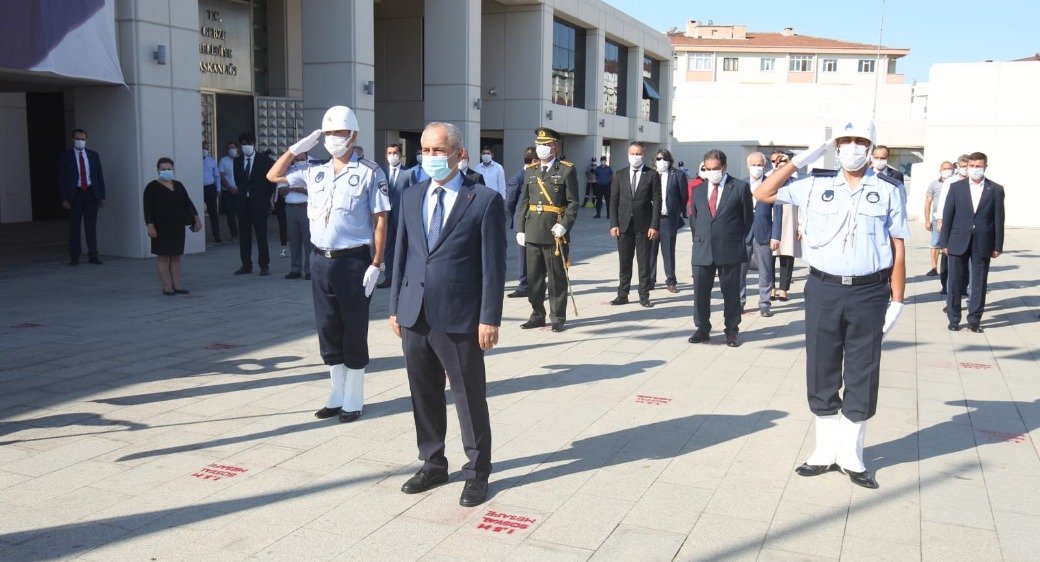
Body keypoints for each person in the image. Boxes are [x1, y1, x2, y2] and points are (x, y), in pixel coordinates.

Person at [754, 118, 909, 489]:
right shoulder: (813, 184)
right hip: (824, 289)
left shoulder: (888, 189)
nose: (852, 147)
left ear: (871, 148)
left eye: (860, 141)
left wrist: (897, 300)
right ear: (835, 146)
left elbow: (898, 246)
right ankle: (824, 451)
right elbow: (763, 193)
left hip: (870, 291)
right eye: (845, 140)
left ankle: (853, 455)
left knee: (863, 368)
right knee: (822, 365)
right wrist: (801, 159)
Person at [388, 121, 506, 507]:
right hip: (415, 313)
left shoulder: (484, 200)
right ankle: (433, 462)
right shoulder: (410, 195)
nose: (430, 158)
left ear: (458, 153)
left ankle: (477, 470)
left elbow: (493, 267)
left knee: (469, 396)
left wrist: (490, 318)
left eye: (438, 151)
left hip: (461, 317)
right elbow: (402, 256)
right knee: (423, 394)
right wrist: (394, 308)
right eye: (424, 150)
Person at [267, 105, 390, 423]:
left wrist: (377, 262)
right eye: (330, 133)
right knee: (328, 328)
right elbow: (274, 175)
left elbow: (380, 220)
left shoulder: (369, 172)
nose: (335, 138)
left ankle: (354, 397)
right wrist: (296, 149)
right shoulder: (314, 170)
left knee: (353, 327)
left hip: (354, 261)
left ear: (354, 135)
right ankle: (336, 393)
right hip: (320, 260)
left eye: (341, 133)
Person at [688, 149, 753, 347]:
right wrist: (700, 240)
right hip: (702, 250)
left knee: (731, 293)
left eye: (715, 168)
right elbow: (694, 220)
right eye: (707, 169)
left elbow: (747, 220)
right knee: (700, 293)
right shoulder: (698, 190)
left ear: (724, 167)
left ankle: (732, 330)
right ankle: (702, 328)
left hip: (729, 250)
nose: (711, 172)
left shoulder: (740, 188)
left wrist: (733, 240)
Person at [517, 127, 579, 332]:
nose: (541, 148)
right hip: (533, 230)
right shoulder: (530, 171)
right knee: (534, 279)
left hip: (555, 233)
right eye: (538, 145)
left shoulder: (566, 169)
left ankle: (557, 316)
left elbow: (573, 203)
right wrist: (520, 228)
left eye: (545, 145)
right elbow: (524, 202)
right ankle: (537, 314)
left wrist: (564, 225)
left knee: (556, 278)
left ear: (554, 146)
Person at [939, 152, 1005, 333]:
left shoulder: (996, 189)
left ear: (985, 167)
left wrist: (998, 245)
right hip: (957, 239)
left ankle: (974, 320)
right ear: (967, 167)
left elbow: (999, 219)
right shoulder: (956, 187)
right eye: (972, 166)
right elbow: (948, 216)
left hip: (983, 241)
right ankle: (953, 318)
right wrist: (944, 242)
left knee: (979, 282)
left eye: (979, 166)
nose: (975, 169)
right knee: (954, 281)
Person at [609, 141, 661, 308]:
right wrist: (613, 223)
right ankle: (622, 294)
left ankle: (644, 295)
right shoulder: (619, 174)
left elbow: (657, 202)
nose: (635, 157)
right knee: (624, 262)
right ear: (627, 154)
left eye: (639, 154)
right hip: (624, 225)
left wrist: (654, 225)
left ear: (644, 155)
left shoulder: (652, 174)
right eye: (633, 153)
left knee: (644, 262)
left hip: (644, 226)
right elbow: (613, 201)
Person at [143, 157, 202, 295]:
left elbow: (188, 203)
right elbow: (148, 208)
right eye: (163, 169)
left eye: (168, 169)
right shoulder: (152, 187)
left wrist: (197, 219)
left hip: (177, 226)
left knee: (176, 256)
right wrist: (150, 226)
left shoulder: (178, 185)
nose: (166, 171)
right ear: (158, 170)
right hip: (160, 227)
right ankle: (167, 286)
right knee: (163, 256)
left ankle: (177, 285)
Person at [742, 152, 782, 316]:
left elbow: (778, 212)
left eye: (760, 165)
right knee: (740, 271)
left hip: (764, 233)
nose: (757, 168)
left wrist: (776, 236)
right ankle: (739, 302)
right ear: (748, 165)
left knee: (765, 271)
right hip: (743, 234)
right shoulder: (741, 184)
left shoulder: (771, 184)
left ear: (764, 166)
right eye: (754, 165)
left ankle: (764, 304)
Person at [58, 128, 106, 265]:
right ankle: (75, 256)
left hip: (91, 194)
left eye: (83, 139)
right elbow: (61, 179)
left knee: (91, 226)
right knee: (74, 227)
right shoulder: (66, 156)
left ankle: (93, 255)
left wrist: (102, 195)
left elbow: (99, 176)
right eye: (78, 139)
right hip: (75, 195)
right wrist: (64, 198)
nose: (80, 141)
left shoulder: (93, 155)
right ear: (73, 139)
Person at [233, 132, 276, 276]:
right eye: (243, 144)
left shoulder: (265, 161)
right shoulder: (237, 161)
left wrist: (266, 198)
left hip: (259, 203)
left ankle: (264, 265)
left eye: (249, 143)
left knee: (261, 234)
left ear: (254, 144)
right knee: (244, 235)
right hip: (243, 203)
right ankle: (246, 265)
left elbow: (271, 183)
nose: (246, 146)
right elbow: (238, 181)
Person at [648, 149, 688, 293]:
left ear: (669, 160)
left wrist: (678, 212)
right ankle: (650, 280)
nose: (661, 161)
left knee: (668, 251)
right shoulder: (650, 174)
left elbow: (683, 196)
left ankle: (671, 281)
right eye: (658, 159)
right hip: (651, 220)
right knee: (650, 252)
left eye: (664, 158)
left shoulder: (677, 175)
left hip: (668, 219)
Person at [378, 143, 413, 288]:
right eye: (389, 153)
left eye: (395, 153)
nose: (392, 156)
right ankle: (388, 277)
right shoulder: (381, 172)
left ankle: (402, 277)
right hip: (385, 215)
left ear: (400, 154)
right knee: (387, 247)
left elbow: (412, 194)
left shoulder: (409, 173)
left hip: (401, 215)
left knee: (402, 246)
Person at [505, 147, 538, 298]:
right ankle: (524, 285)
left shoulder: (539, 175)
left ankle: (538, 285)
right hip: (524, 224)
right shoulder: (518, 178)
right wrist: (517, 222)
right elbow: (510, 203)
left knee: (538, 256)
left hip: (538, 223)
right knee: (523, 256)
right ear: (533, 161)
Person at [936, 155, 971, 295]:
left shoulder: (973, 182)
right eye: (962, 166)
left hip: (966, 225)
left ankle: (963, 286)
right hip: (951, 224)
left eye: (967, 166)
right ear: (958, 166)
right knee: (948, 257)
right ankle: (946, 285)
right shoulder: (950, 182)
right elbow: (943, 203)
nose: (965, 169)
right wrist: (940, 220)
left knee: (966, 258)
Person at [769, 150, 800, 301]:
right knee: (769, 257)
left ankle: (783, 288)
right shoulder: (767, 179)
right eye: (775, 161)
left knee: (787, 255)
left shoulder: (795, 182)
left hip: (790, 220)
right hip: (772, 220)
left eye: (783, 162)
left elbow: (802, 205)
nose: (779, 164)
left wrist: (801, 225)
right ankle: (771, 287)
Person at [279, 152, 312, 280]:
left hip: (306, 206)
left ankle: (309, 269)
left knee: (308, 240)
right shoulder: (288, 168)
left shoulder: (312, 166)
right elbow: (281, 190)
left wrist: (297, 188)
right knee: (294, 239)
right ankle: (295, 268)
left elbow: (314, 190)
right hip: (291, 207)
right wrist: (296, 188)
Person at [924, 162, 955, 276]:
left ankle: (951, 267)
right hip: (937, 217)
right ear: (940, 170)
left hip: (953, 217)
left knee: (951, 243)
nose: (947, 170)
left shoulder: (957, 183)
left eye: (949, 168)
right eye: (944, 168)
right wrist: (927, 220)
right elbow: (928, 202)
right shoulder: (934, 184)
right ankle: (933, 267)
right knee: (935, 242)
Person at [218, 141, 240, 242]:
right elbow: (221, 176)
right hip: (228, 191)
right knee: (230, 214)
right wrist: (230, 188)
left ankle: (246, 234)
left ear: (237, 149)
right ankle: (234, 235)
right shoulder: (223, 160)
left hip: (240, 191)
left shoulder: (241, 160)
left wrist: (239, 188)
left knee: (243, 213)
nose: (231, 149)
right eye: (229, 148)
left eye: (233, 147)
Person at [202, 141, 222, 243]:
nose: (204, 150)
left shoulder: (211, 161)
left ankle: (217, 236)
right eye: (203, 148)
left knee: (213, 213)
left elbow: (217, 175)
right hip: (199, 189)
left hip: (210, 188)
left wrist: (218, 189)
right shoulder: (195, 159)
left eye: (206, 148)